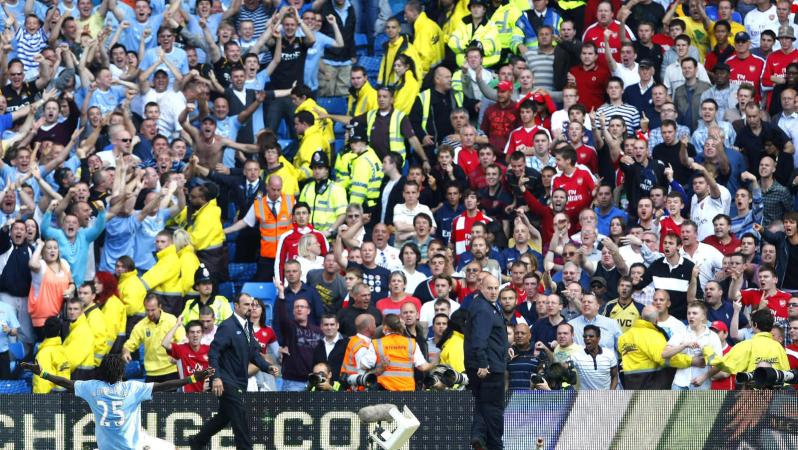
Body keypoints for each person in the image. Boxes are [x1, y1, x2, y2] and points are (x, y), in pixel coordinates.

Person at [23, 355, 213, 450]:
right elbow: (165, 385)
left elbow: (65, 382)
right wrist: (192, 379)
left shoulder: (92, 387)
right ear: (122, 372)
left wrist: (42, 373)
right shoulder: (133, 388)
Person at [190, 293, 279, 450]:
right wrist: (216, 378)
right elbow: (213, 353)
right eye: (246, 305)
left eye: (252, 305)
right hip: (226, 381)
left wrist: (267, 367)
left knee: (223, 417)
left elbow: (253, 353)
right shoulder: (228, 326)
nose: (250, 308)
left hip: (238, 381)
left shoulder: (247, 326)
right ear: (236, 306)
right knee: (240, 420)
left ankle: (197, 441)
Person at [463, 274, 508, 450]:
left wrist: (504, 349)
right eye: (489, 288)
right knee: (494, 410)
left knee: (483, 405)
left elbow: (491, 337)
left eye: (496, 288)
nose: (493, 292)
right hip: (488, 368)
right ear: (481, 287)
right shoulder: (483, 308)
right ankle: (494, 445)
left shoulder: (485, 305)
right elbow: (479, 339)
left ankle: (478, 437)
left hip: (488, 363)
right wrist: (483, 363)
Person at [617, 305, 705, 389]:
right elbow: (665, 358)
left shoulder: (625, 336)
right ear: (657, 319)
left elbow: (621, 351)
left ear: (640, 317)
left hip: (629, 383)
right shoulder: (653, 336)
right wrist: (691, 361)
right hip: (649, 384)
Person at [361, 313, 433, 391]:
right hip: (407, 391)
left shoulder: (377, 344)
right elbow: (423, 367)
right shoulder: (411, 343)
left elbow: (364, 365)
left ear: (385, 328)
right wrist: (435, 363)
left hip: (384, 390)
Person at [122, 294, 185, 382]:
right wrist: (126, 352)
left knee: (171, 396)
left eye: (153, 310)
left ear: (160, 307)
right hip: (151, 373)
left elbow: (182, 341)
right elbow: (130, 344)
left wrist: (178, 354)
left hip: (172, 370)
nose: (150, 313)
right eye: (147, 310)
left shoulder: (171, 320)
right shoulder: (141, 325)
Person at [162, 319, 210, 393]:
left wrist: (208, 381)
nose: (195, 335)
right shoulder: (181, 349)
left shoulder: (209, 349)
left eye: (198, 332)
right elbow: (165, 343)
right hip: (187, 396)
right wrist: (177, 325)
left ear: (202, 334)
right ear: (187, 335)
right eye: (192, 332)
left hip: (206, 394)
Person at [570, 325, 619, 390]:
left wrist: (610, 393)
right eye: (585, 336)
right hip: (586, 398)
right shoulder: (576, 356)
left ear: (598, 338)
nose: (587, 338)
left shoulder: (609, 354)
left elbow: (615, 376)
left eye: (591, 336)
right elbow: (566, 366)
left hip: (605, 398)